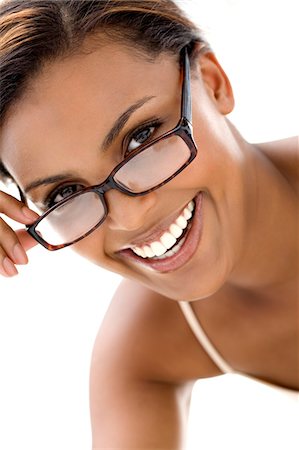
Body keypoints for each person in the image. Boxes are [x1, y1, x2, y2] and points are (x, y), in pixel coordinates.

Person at [0, 0, 298, 447]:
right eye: (64, 194)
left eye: (141, 137)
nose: (128, 215)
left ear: (214, 84)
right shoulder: (144, 348)